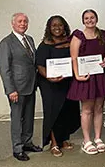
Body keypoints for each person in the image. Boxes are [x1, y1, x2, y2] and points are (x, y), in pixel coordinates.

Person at [0, 12, 42, 161]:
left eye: (25, 21)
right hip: (16, 89)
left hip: (31, 85)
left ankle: (27, 142)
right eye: (20, 21)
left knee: (29, 117)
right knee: (17, 119)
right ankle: (17, 148)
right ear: (13, 24)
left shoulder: (29, 39)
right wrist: (10, 90)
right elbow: (4, 69)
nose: (23, 24)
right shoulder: (6, 43)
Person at [35, 15, 81, 157]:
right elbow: (40, 65)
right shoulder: (45, 44)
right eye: (54, 25)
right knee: (53, 112)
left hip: (67, 82)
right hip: (49, 83)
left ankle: (63, 139)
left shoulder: (69, 41)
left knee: (66, 110)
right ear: (49, 27)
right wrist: (50, 77)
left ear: (64, 26)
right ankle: (54, 143)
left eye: (60, 25)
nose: (57, 28)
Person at [67, 9, 105, 155]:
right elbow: (73, 57)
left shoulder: (104, 35)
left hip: (100, 76)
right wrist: (77, 75)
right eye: (86, 18)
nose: (89, 20)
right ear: (83, 20)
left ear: (96, 19)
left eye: (92, 17)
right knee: (86, 109)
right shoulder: (78, 36)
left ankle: (98, 137)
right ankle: (86, 140)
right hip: (86, 77)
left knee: (99, 108)